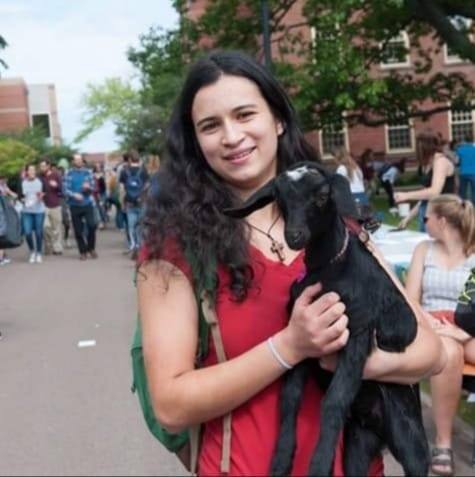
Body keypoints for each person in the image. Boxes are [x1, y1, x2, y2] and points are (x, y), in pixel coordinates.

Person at [137, 50, 445, 477]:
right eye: (211, 125)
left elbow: (430, 351)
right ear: (195, 142)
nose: (231, 136)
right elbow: (171, 405)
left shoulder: (340, 227)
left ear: (278, 120)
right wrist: (290, 346)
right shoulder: (174, 250)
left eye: (245, 114)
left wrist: (355, 364)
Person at [405, 194, 475, 476]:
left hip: (467, 326)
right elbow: (410, 298)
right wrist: (432, 325)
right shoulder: (424, 250)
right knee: (450, 350)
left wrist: (461, 331)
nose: (424, 222)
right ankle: (443, 442)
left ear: (441, 221)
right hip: (428, 325)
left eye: (426, 217)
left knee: (460, 346)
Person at [395, 131, 456, 231]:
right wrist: (408, 218)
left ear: (425, 148)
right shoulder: (428, 164)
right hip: (427, 211)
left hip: (441, 213)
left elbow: (434, 192)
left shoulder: (440, 162)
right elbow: (424, 197)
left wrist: (406, 195)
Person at [64, 153, 98, 260]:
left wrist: (88, 188)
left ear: (82, 161)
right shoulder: (68, 173)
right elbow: (64, 189)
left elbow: (93, 187)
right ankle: (82, 251)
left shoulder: (88, 172)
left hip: (87, 203)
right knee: (78, 230)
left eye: (80, 160)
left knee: (92, 225)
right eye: (76, 160)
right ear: (73, 162)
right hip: (74, 205)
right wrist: (74, 195)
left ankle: (91, 248)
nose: (78, 162)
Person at [119, 151, 149, 258]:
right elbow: (146, 187)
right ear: (139, 159)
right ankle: (141, 246)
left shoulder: (124, 172)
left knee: (131, 226)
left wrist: (122, 202)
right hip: (141, 202)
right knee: (141, 225)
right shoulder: (144, 171)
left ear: (130, 160)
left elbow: (122, 189)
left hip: (129, 201)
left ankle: (133, 245)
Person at [21, 164, 46, 263]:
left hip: (39, 210)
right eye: (30, 170)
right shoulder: (23, 183)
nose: (32, 172)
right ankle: (32, 251)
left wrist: (41, 196)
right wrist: (23, 200)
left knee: (38, 233)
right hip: (26, 211)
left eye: (33, 170)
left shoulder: (40, 181)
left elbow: (44, 193)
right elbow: (21, 196)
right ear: (26, 171)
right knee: (27, 233)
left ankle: (39, 252)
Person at [39, 158, 64, 255]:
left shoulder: (56, 175)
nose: (42, 168)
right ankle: (48, 245)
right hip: (43, 205)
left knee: (57, 227)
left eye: (44, 166)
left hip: (55, 204)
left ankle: (57, 248)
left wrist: (56, 185)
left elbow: (62, 190)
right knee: (45, 227)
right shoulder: (39, 177)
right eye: (41, 166)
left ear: (48, 166)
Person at [0, 175, 18, 265]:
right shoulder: (2, 187)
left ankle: (2, 256)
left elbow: (13, 195)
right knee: (2, 233)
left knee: (2, 233)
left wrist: (9, 193)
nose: (5, 180)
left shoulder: (4, 187)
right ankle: (2, 257)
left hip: (3, 212)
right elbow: (13, 195)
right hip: (2, 213)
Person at [456, 136, 475, 203]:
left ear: (465, 141)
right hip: (473, 172)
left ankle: (462, 205)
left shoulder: (460, 149)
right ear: (473, 141)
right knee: (474, 191)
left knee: (462, 192)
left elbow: (457, 161)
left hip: (463, 172)